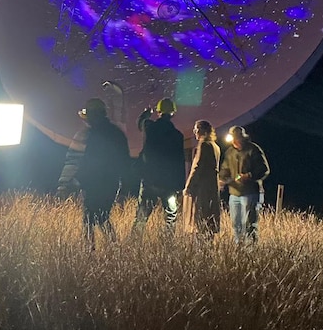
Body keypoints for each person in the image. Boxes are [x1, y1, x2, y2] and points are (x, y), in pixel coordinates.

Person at [56, 98, 130, 249]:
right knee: (102, 217)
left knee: (89, 220)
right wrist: (125, 186)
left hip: (93, 184)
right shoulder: (117, 134)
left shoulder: (89, 135)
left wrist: (68, 183)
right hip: (111, 184)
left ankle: (90, 252)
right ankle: (115, 250)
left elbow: (79, 161)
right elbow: (125, 163)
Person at [131, 97, 186, 235]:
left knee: (142, 215)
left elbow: (139, 123)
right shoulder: (178, 135)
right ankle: (168, 245)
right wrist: (180, 185)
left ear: (159, 111)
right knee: (171, 217)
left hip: (150, 180)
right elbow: (179, 161)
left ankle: (133, 245)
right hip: (169, 183)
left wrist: (146, 113)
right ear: (173, 113)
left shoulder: (150, 127)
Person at [219, 125, 270, 244]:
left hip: (250, 193)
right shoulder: (230, 152)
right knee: (236, 224)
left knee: (249, 224)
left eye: (237, 138)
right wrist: (221, 179)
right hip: (234, 193)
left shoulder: (253, 149)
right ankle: (239, 249)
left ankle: (251, 250)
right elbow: (225, 168)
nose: (235, 141)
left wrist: (250, 176)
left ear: (242, 138)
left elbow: (264, 169)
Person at [182, 120, 222, 239]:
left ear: (202, 130)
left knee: (200, 219)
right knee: (210, 220)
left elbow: (197, 167)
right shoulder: (216, 146)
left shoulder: (204, 145)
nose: (194, 132)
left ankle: (200, 250)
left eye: (196, 129)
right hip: (212, 188)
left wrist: (188, 186)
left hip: (202, 189)